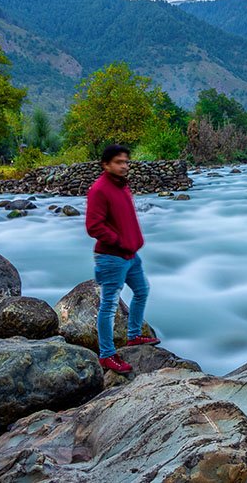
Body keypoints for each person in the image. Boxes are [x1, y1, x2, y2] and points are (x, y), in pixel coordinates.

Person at [85, 144, 159, 374]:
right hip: (111, 257)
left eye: (126, 162)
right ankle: (107, 355)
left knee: (142, 291)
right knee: (108, 306)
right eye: (119, 162)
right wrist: (119, 240)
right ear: (106, 164)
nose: (124, 166)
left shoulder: (122, 187)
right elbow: (93, 226)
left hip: (130, 255)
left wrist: (132, 242)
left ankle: (133, 335)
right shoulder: (99, 190)